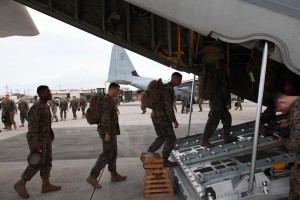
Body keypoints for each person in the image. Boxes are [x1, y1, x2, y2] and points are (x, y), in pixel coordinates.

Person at [14, 85, 61, 199]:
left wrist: (50, 135)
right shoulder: (37, 106)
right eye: (48, 91)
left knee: (47, 161)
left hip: (45, 138)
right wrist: (36, 142)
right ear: (42, 94)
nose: (50, 93)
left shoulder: (45, 105)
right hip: (37, 139)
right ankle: (21, 183)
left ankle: (46, 185)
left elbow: (45, 124)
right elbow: (33, 126)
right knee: (38, 162)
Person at [86, 82, 126, 189]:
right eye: (118, 90)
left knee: (113, 153)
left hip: (111, 131)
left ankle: (114, 174)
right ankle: (93, 176)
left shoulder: (110, 100)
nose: (119, 92)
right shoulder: (107, 101)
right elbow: (105, 118)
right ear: (112, 89)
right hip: (107, 132)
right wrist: (106, 133)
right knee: (107, 154)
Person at [147, 72, 182, 167]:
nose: (180, 82)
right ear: (174, 79)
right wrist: (174, 120)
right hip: (162, 118)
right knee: (171, 138)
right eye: (179, 80)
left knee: (162, 137)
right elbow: (168, 107)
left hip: (155, 115)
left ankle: (149, 153)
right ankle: (165, 160)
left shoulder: (164, 88)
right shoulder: (168, 89)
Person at [200, 59, 237, 148]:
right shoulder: (222, 74)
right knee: (213, 121)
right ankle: (204, 140)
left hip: (215, 101)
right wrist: (228, 102)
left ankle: (226, 136)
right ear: (224, 65)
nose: (228, 67)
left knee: (227, 118)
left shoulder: (214, 73)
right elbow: (225, 89)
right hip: (218, 102)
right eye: (226, 65)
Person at [273, 92, 300, 200]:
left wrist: (283, 141)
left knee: (295, 191)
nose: (282, 112)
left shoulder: (297, 109)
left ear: (282, 102)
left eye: (280, 109)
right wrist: (290, 121)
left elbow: (295, 145)